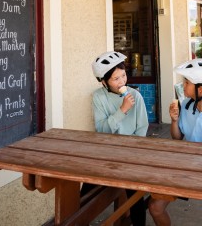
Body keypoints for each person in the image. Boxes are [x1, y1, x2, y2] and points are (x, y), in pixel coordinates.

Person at [86, 51, 149, 225]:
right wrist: (122, 110)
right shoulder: (99, 97)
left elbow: (142, 128)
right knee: (86, 187)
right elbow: (102, 129)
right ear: (104, 82)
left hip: (132, 153)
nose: (122, 81)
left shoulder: (136, 96)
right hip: (107, 152)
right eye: (115, 79)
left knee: (135, 192)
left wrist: (131, 150)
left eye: (123, 75)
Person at [148, 58, 202, 226]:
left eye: (186, 82)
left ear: (200, 89)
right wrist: (174, 120)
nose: (182, 86)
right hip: (187, 165)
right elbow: (177, 138)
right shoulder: (185, 105)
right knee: (155, 207)